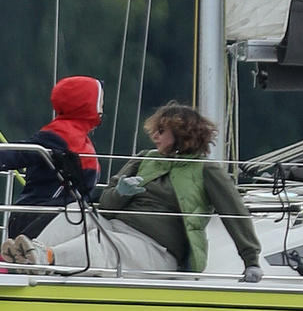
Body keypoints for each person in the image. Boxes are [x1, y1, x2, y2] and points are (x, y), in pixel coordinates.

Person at [97, 102, 263, 277]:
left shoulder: (205, 169)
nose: (154, 136)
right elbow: (105, 206)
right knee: (71, 217)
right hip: (112, 228)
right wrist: (120, 193)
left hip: (155, 245)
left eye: (161, 131)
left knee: (84, 252)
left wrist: (251, 261)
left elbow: (234, 212)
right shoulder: (144, 158)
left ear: (181, 134)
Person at [0, 75, 106, 237]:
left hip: (57, 217)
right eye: (99, 102)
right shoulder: (60, 135)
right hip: (36, 219)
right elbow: (18, 154)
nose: (102, 109)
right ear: (86, 105)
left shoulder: (77, 138)